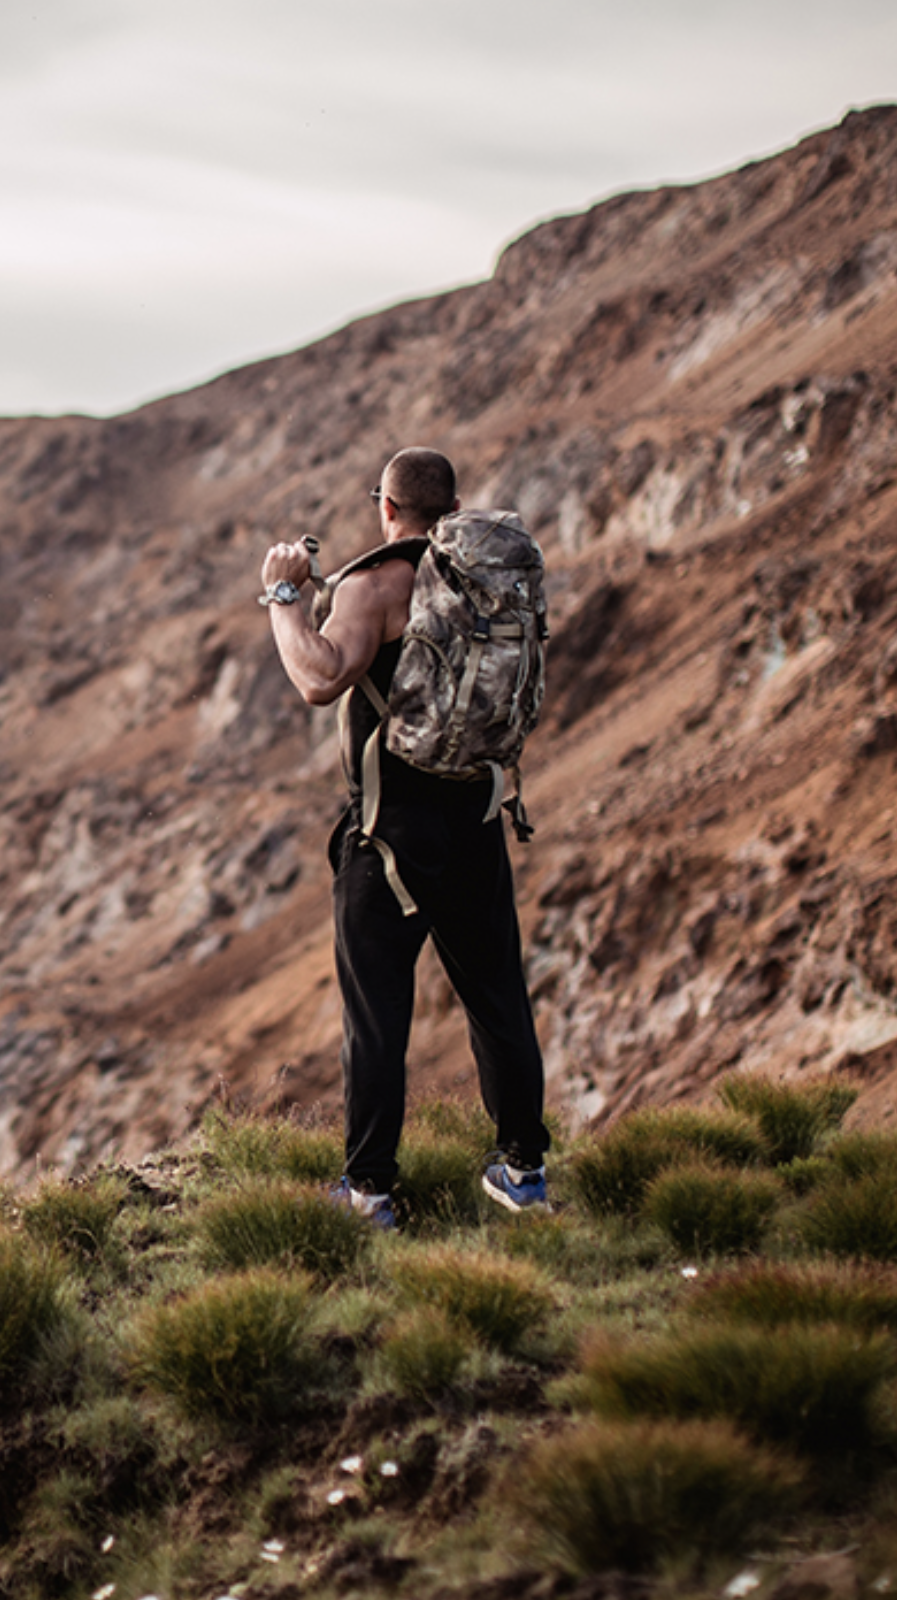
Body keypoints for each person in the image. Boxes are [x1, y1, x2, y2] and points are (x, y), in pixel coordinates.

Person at [257, 447, 552, 1224]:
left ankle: (369, 1190)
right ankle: (524, 1171)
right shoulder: (487, 582)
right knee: (498, 1001)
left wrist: (286, 596)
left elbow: (322, 677)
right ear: (451, 510)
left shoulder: (376, 582)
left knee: (377, 1016)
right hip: (479, 816)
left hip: (391, 836)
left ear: (386, 508)